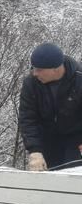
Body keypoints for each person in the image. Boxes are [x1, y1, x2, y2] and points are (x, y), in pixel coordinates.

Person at [19, 42, 82, 171]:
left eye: (39, 70)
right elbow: (28, 119)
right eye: (33, 68)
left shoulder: (79, 80)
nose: (35, 73)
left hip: (76, 142)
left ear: (55, 68)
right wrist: (34, 150)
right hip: (47, 142)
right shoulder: (31, 84)